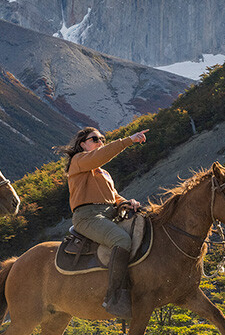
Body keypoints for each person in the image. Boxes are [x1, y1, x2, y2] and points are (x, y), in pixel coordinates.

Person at [60, 126, 149, 319]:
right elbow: (100, 156)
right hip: (88, 217)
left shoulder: (103, 173)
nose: (100, 141)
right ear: (82, 144)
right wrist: (128, 140)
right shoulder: (78, 161)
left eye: (102, 138)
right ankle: (115, 297)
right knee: (122, 241)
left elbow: (114, 197)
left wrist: (127, 201)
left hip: (110, 214)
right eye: (95, 139)